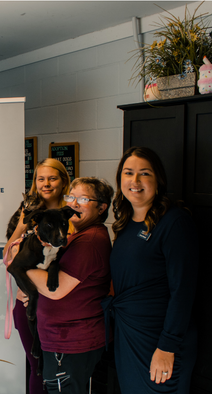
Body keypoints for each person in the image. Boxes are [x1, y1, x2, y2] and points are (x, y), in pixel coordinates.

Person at [106, 147, 198, 393]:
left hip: (160, 339)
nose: (135, 181)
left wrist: (167, 346)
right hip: (128, 335)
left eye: (144, 173)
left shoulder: (174, 222)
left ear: (158, 180)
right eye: (128, 173)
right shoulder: (125, 223)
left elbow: (183, 290)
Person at [24, 177, 114, 393]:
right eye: (70, 197)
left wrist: (20, 264)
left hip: (70, 343)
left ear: (102, 207)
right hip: (62, 341)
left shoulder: (89, 241)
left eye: (83, 199)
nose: (73, 203)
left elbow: (55, 290)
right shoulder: (78, 235)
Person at [3, 158, 70, 394]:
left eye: (52, 178)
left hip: (63, 305)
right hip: (28, 302)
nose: (46, 184)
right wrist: (23, 225)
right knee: (37, 367)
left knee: (60, 371)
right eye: (41, 179)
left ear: (63, 181)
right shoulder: (27, 211)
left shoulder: (74, 213)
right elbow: (8, 256)